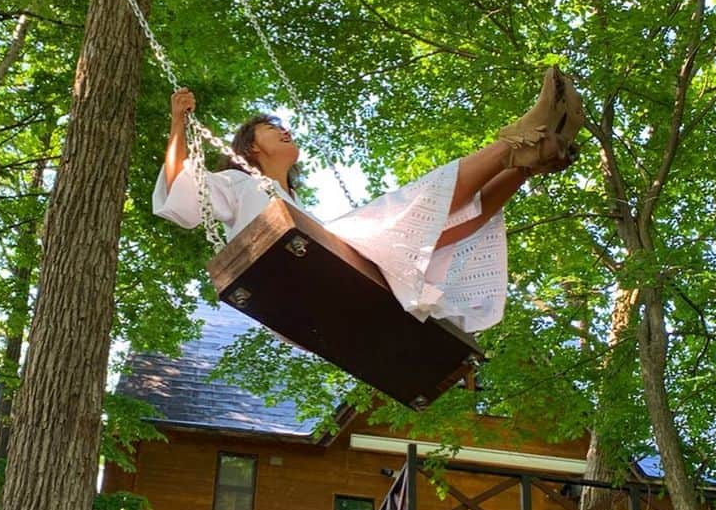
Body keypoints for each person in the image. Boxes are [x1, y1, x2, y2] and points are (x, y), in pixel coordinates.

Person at [153, 68, 584, 333]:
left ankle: (530, 163)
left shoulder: (292, 202)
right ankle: (518, 142)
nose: (284, 130)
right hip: (297, 280)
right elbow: (180, 192)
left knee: (444, 231)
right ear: (250, 148)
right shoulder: (238, 183)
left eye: (283, 125)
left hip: (334, 271)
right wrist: (178, 124)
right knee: (415, 206)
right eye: (270, 128)